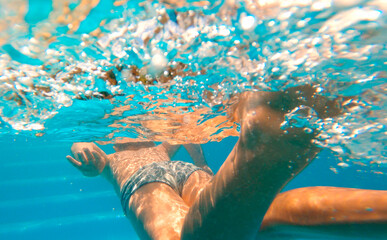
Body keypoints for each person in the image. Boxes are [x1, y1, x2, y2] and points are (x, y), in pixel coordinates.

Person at [66, 86, 387, 240]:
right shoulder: (152, 146)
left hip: (144, 182)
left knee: (177, 238)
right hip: (185, 172)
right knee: (259, 213)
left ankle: (261, 154)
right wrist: (204, 166)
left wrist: (89, 158)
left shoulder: (115, 153)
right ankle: (264, 154)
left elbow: (84, 144)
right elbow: (185, 138)